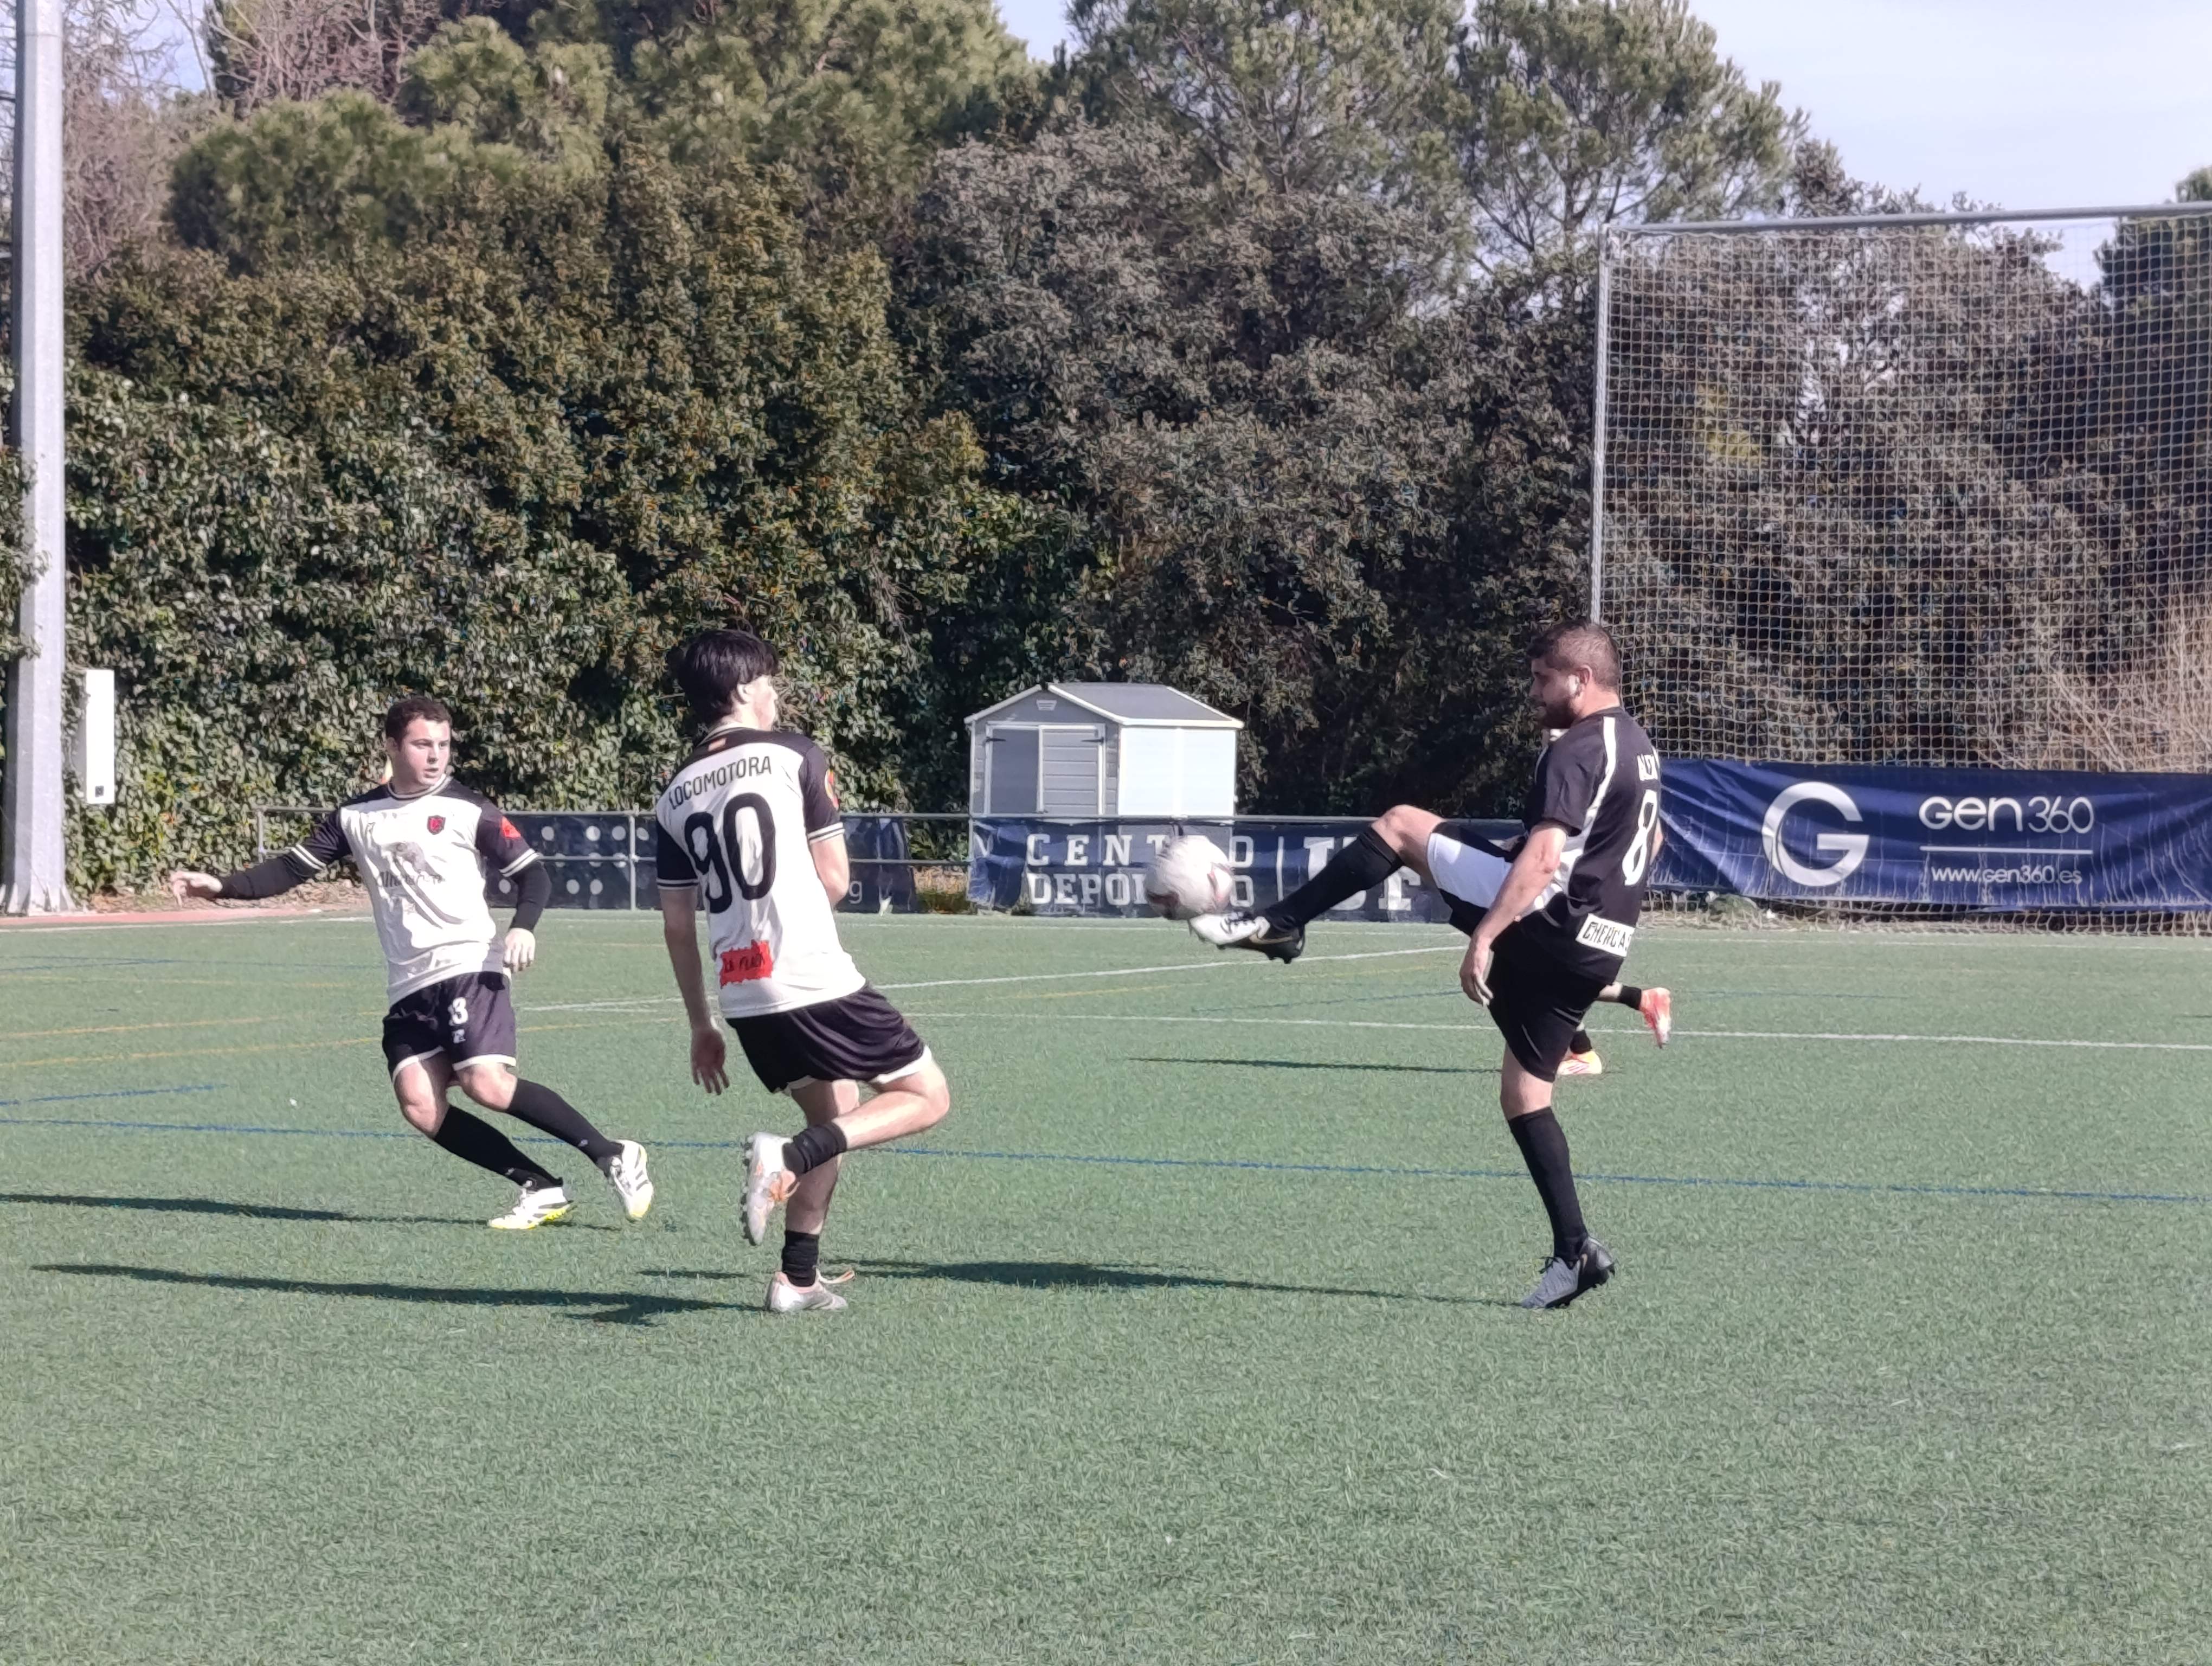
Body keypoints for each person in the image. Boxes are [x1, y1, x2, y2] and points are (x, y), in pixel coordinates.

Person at [1191, 620, 1661, 1308]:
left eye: (1542, 680)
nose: (1534, 693)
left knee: (1401, 825)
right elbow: (1645, 840)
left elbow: (1542, 860)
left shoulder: (1577, 748)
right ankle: (1576, 1252)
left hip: (1549, 923)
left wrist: (1487, 934)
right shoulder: (1641, 749)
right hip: (1600, 944)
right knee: (1525, 1097)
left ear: (1580, 680)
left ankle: (1283, 924)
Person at [170, 695, 654, 1230]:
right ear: (391, 746)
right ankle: (540, 1187)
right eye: (423, 744)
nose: (436, 755)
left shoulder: (471, 809)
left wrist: (523, 926)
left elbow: (532, 874)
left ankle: (613, 1154)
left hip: (468, 964)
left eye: (443, 745)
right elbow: (291, 868)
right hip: (408, 983)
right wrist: (221, 887)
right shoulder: (356, 817)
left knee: (487, 1084)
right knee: (420, 1105)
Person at [652, 629, 951, 1315]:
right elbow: (835, 880)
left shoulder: (673, 793)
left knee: (836, 1109)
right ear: (743, 689)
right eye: (769, 682)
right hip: (809, 977)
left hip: (742, 995)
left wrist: (701, 1025)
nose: (776, 694)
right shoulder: (795, 754)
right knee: (927, 1096)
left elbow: (676, 925)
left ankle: (796, 1279)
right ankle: (788, 1155)